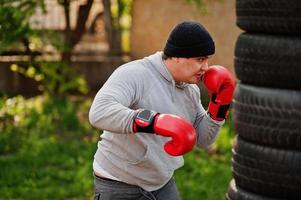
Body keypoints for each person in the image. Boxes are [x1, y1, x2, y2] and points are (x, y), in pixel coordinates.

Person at [89, 20, 235, 200]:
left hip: (162, 185)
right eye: (200, 59)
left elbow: (203, 139)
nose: (205, 68)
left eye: (207, 60)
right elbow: (99, 111)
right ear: (177, 56)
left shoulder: (190, 90)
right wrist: (154, 121)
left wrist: (219, 106)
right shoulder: (135, 74)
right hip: (118, 184)